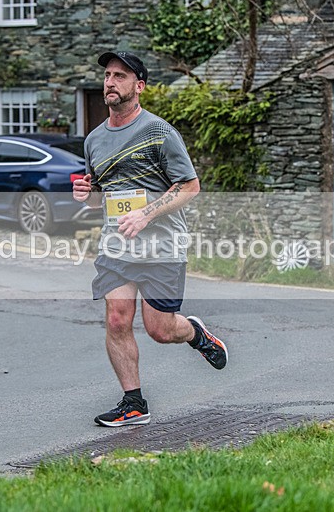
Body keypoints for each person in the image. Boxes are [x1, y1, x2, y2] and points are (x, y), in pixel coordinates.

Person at [73, 51, 228, 427]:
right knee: (116, 319)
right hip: (117, 245)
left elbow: (190, 187)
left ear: (139, 86)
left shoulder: (159, 132)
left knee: (160, 330)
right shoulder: (94, 140)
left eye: (120, 76)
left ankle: (193, 332)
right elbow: (103, 200)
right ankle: (134, 402)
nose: (110, 82)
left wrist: (146, 214)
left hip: (161, 244)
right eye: (108, 75)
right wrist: (87, 196)